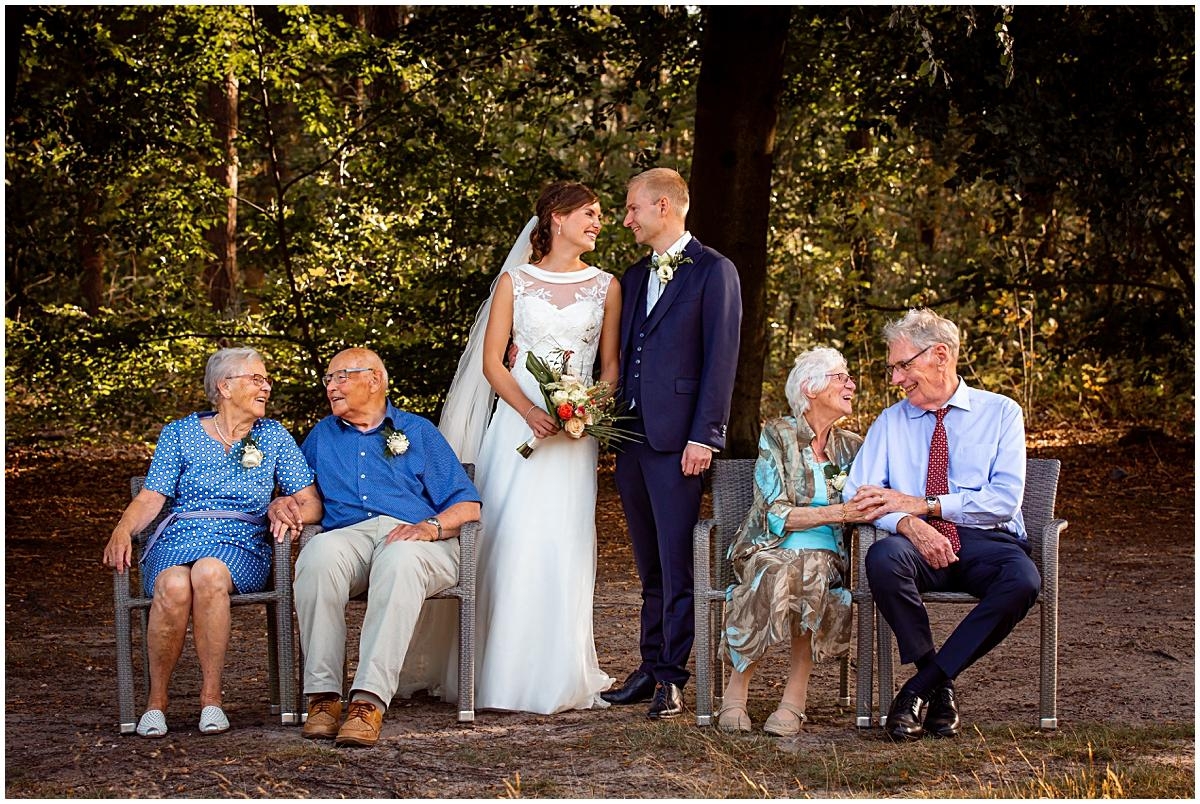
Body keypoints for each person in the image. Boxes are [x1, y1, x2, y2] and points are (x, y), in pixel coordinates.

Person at [438, 181, 621, 713]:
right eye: (589, 213)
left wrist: (585, 411)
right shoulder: (514, 282)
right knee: (510, 538)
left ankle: (556, 675)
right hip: (518, 429)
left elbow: (607, 368)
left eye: (601, 214)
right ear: (557, 219)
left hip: (575, 440)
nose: (598, 222)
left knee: (563, 543)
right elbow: (494, 362)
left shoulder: (606, 285)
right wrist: (531, 411)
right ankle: (492, 674)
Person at [843, 308, 1039, 742]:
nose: (895, 379)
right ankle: (942, 687)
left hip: (985, 540)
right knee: (884, 557)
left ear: (940, 355)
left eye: (903, 365)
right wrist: (909, 525)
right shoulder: (890, 422)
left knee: (1023, 581)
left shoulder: (1001, 413)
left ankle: (920, 686)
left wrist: (929, 507)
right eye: (893, 369)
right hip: (917, 541)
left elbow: (1004, 502)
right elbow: (857, 493)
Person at [102, 347, 316, 738]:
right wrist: (122, 528)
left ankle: (211, 700)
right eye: (257, 378)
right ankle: (156, 703)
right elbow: (152, 497)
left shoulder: (274, 436)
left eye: (267, 379)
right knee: (172, 584)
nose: (266, 386)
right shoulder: (179, 433)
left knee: (209, 573)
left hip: (242, 541)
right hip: (180, 536)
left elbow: (310, 502)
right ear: (224, 386)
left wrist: (283, 502)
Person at [275, 347, 481, 748]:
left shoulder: (418, 432)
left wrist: (431, 526)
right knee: (316, 556)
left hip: (416, 539)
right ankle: (323, 698)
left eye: (341, 377)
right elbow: (301, 497)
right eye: (329, 380)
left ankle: (368, 702)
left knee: (400, 559)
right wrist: (281, 501)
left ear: (374, 380)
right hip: (349, 535)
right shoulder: (321, 436)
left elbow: (467, 505)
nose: (331, 387)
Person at [603, 167, 742, 719]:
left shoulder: (715, 271)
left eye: (633, 208)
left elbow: (721, 360)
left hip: (680, 441)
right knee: (648, 564)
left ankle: (672, 677)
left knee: (678, 560)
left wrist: (703, 437)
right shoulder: (633, 278)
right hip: (632, 439)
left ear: (664, 206)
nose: (626, 218)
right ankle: (649, 663)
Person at [718, 348, 877, 736]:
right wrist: (839, 512)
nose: (851, 384)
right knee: (778, 567)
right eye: (841, 377)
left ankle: (795, 696)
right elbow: (775, 510)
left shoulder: (853, 446)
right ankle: (735, 692)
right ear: (811, 387)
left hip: (827, 554)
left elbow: (871, 501)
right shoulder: (778, 434)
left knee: (809, 567)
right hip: (770, 545)